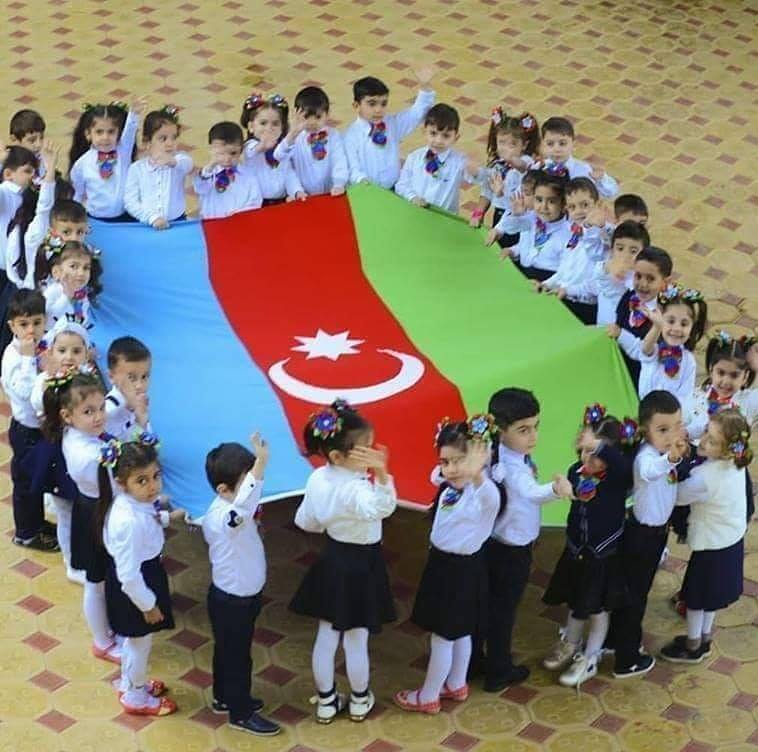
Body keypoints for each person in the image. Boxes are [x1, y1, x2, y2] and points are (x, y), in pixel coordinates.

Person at [289, 400, 396, 723]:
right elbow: (382, 508)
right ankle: (360, 699)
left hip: (333, 559)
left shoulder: (317, 478)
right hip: (362, 564)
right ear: (337, 456)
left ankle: (326, 701)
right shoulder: (356, 489)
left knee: (326, 635)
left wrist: (330, 521)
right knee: (356, 639)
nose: (372, 454)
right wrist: (383, 473)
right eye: (365, 449)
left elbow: (306, 521)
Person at [394, 416, 500, 714]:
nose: (451, 469)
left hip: (458, 570)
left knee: (442, 636)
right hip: (444, 565)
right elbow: (435, 476)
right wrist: (454, 466)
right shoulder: (450, 483)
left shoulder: (485, 493)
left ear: (481, 458)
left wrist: (476, 472)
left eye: (459, 461)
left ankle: (428, 695)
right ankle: (456, 683)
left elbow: (490, 498)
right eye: (445, 461)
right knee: (461, 631)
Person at [480, 388, 572, 691]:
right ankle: (498, 669)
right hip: (512, 549)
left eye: (535, 427)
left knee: (489, 606)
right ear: (500, 429)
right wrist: (556, 489)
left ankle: (476, 661)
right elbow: (531, 492)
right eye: (523, 430)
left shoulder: (494, 453)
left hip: (495, 541)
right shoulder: (512, 467)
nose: (533, 436)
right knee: (503, 611)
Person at [542, 405, 635, 686]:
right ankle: (570, 642)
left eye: (597, 453)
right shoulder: (576, 471)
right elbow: (575, 498)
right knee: (576, 600)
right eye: (584, 450)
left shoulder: (617, 479)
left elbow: (621, 466)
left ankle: (591, 656)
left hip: (603, 556)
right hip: (577, 551)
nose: (588, 458)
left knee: (597, 609)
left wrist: (598, 446)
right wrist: (563, 487)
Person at [202, 435, 281, 736]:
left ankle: (224, 696)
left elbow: (247, 500)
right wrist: (260, 466)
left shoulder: (233, 507)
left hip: (240, 596)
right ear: (223, 489)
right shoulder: (225, 517)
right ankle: (240, 712)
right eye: (245, 479)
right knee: (237, 657)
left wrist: (256, 470)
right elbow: (245, 505)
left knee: (227, 651)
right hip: (232, 600)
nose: (252, 483)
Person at [97, 438, 181, 715]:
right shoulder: (128, 522)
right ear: (122, 483)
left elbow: (150, 517)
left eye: (156, 476)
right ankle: (135, 698)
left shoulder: (133, 504)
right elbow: (129, 575)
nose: (153, 486)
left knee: (135, 642)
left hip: (143, 574)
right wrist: (148, 605)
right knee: (139, 643)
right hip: (136, 585)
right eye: (142, 481)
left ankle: (131, 683)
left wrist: (168, 518)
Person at [660, 410, 751, 663]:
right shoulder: (736, 464)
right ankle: (705, 637)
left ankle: (692, 646)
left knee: (696, 598)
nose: (702, 442)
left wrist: (672, 464)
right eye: (705, 434)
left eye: (711, 441)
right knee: (711, 598)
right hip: (730, 540)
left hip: (711, 546)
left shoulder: (705, 478)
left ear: (726, 450)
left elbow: (677, 496)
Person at [609, 390, 688, 678]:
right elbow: (651, 471)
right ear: (645, 431)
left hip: (655, 535)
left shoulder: (662, 454)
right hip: (642, 536)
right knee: (635, 597)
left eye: (676, 426)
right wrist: (671, 458)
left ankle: (613, 640)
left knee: (632, 592)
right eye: (662, 430)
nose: (671, 435)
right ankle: (627, 659)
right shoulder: (647, 457)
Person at [44, 371, 121, 663]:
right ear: (68, 415)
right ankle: (102, 641)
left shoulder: (83, 433)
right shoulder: (85, 454)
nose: (99, 416)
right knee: (95, 581)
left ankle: (112, 627)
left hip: (97, 509)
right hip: (95, 514)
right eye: (89, 411)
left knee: (104, 577)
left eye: (101, 408)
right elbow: (116, 481)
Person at [30, 319, 94, 582]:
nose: (69, 357)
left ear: (86, 354)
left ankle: (86, 554)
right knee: (65, 511)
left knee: (85, 508)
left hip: (82, 453)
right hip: (57, 454)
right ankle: (71, 562)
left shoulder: (89, 378)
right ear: (51, 352)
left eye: (76, 351)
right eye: (62, 350)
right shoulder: (46, 380)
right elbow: (37, 404)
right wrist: (50, 382)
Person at [1, 288, 58, 550]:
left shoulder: (43, 347)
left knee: (38, 478)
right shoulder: (14, 356)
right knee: (25, 482)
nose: (31, 330)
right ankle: (26, 532)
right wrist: (27, 360)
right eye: (24, 324)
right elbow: (24, 392)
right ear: (12, 326)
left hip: (43, 427)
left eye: (37, 322)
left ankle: (37, 521)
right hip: (25, 429)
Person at [610, 282, 707, 408]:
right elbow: (644, 349)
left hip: (669, 414)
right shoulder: (654, 349)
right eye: (670, 321)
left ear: (692, 327)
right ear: (661, 320)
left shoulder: (689, 361)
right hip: (643, 409)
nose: (677, 328)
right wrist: (657, 326)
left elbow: (685, 395)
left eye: (684, 324)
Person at [343, 68, 435, 189]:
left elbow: (416, 114)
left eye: (383, 103)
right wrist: (363, 181)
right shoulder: (350, 136)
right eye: (372, 104)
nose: (378, 109)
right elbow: (352, 168)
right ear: (356, 106)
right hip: (366, 191)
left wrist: (425, 86)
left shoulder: (392, 124)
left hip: (394, 189)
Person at [538, 177, 606, 324]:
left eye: (585, 205)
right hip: (563, 298)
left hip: (584, 307)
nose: (579, 211)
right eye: (572, 207)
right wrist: (546, 284)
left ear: (598, 204)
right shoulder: (573, 234)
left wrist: (568, 290)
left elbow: (596, 284)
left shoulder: (602, 238)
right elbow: (564, 271)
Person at [470, 109, 539, 247]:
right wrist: (478, 213)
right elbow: (487, 191)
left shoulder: (527, 162)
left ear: (524, 145)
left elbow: (522, 167)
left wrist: (511, 160)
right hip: (499, 215)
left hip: (520, 218)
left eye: (513, 144)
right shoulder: (497, 165)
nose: (506, 148)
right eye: (502, 142)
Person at [69, 98, 146, 221]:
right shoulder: (81, 164)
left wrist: (134, 114)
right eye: (99, 132)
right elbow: (78, 192)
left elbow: (130, 132)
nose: (105, 137)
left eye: (111, 132)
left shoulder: (123, 152)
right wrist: (74, 216)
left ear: (118, 133)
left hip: (124, 216)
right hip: (95, 218)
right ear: (88, 134)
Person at [560, 220, 650, 325]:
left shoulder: (640, 282)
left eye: (633, 251)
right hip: (601, 331)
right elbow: (591, 287)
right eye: (620, 248)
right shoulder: (606, 268)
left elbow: (618, 291)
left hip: (624, 333)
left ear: (644, 255)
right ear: (612, 250)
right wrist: (566, 290)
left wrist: (608, 271)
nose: (625, 255)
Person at [486, 171, 570, 281]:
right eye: (539, 200)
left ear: (564, 205)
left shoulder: (569, 233)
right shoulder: (533, 218)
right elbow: (511, 229)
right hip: (525, 273)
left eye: (551, 201)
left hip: (548, 279)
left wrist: (547, 284)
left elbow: (568, 270)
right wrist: (512, 251)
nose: (543, 207)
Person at [395, 104, 477, 214]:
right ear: (424, 131)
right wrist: (412, 197)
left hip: (444, 218)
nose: (438, 141)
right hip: (414, 212)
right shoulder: (414, 157)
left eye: (446, 136)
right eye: (433, 133)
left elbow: (478, 179)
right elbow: (401, 185)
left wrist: (476, 173)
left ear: (456, 137)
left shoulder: (459, 162)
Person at [612, 246, 673, 388]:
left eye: (651, 279)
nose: (642, 284)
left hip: (643, 380)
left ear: (665, 282)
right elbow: (618, 323)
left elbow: (648, 354)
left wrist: (620, 335)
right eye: (638, 276)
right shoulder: (629, 297)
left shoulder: (665, 317)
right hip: (619, 367)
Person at [124, 105, 193, 228]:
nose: (170, 143)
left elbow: (188, 164)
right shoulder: (137, 169)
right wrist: (152, 218)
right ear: (147, 142)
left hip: (178, 221)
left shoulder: (179, 161)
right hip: (147, 223)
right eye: (163, 138)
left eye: (174, 138)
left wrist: (173, 162)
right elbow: (130, 202)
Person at [273, 87, 348, 196]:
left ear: (327, 114)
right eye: (306, 117)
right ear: (296, 114)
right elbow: (278, 156)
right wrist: (297, 191)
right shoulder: (294, 138)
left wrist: (339, 183)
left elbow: (339, 161)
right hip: (303, 195)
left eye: (318, 117)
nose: (312, 122)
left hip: (332, 191)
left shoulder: (334, 135)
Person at [240, 93, 304, 205]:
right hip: (256, 204)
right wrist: (263, 145)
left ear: (282, 127)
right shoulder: (249, 146)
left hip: (281, 202)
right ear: (251, 127)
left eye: (275, 124)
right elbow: (253, 151)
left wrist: (297, 191)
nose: (269, 128)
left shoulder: (283, 148)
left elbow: (288, 174)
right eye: (263, 123)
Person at [194, 121, 263, 218]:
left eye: (233, 153)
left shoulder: (249, 174)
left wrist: (238, 215)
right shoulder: (207, 174)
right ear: (211, 150)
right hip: (212, 222)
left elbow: (255, 201)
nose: (227, 159)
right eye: (221, 153)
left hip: (240, 221)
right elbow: (200, 189)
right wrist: (209, 168)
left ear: (241, 149)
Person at [537, 116, 619, 198]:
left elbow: (611, 193)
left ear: (574, 145)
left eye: (562, 143)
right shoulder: (538, 168)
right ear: (543, 145)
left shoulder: (584, 170)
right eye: (550, 144)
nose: (557, 149)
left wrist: (601, 179)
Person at [36, 239, 102, 331]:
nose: (81, 273)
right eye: (73, 266)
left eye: (86, 268)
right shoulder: (52, 292)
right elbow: (47, 322)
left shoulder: (82, 295)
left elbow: (82, 319)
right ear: (56, 272)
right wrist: (67, 295)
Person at [105, 336, 152, 440]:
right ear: (111, 377)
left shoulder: (139, 404)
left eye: (144, 376)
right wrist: (140, 422)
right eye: (131, 378)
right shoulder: (107, 412)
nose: (140, 385)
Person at [8, 109, 47, 183]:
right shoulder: (7, 163)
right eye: (32, 140)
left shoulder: (42, 158)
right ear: (14, 140)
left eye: (41, 138)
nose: (39, 144)